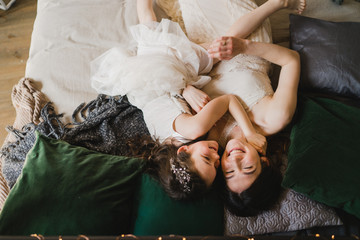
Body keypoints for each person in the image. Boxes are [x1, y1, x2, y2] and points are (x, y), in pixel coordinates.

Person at [90, 0, 266, 199]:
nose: (217, 156)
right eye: (217, 165)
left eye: (208, 158)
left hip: (166, 69)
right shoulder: (167, 144)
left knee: (224, 45)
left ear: (184, 150)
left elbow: (229, 100)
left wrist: (250, 132)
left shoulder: (194, 129)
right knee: (147, 17)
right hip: (144, 80)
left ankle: (275, 5)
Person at [181, 0, 305, 215]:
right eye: (247, 168)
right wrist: (244, 47)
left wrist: (184, 89)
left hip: (203, 48)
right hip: (248, 40)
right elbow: (291, 61)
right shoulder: (275, 118)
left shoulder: (211, 139)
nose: (234, 159)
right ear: (265, 163)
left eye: (229, 172)